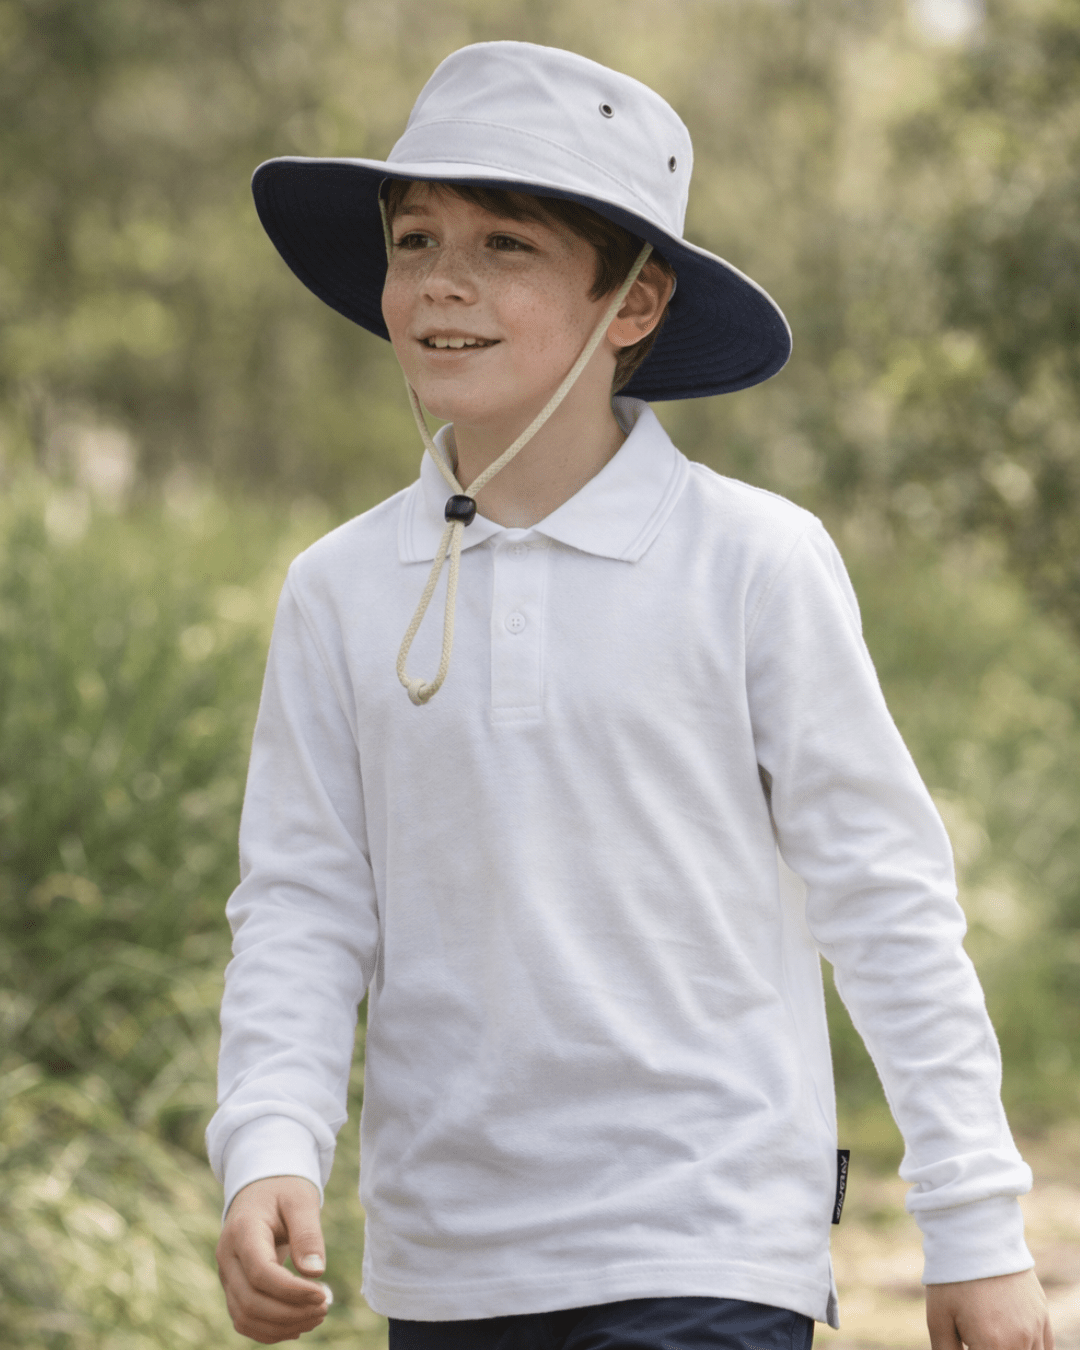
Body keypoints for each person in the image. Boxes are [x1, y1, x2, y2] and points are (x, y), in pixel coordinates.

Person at [207, 41, 1052, 1350]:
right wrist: (267, 1140)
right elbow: (303, 906)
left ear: (637, 303)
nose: (442, 282)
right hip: (451, 1266)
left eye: (506, 246)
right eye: (416, 236)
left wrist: (978, 1226)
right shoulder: (340, 589)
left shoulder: (754, 563)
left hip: (705, 1236)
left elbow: (884, 899)